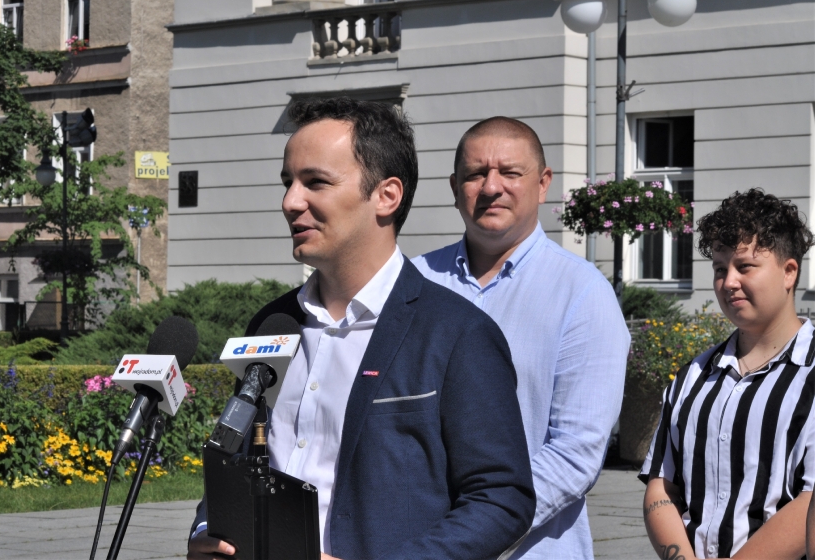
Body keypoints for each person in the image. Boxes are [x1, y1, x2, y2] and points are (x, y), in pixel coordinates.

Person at [187, 98, 535, 560]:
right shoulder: (272, 325)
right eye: (288, 182)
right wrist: (209, 528)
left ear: (386, 196)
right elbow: (233, 455)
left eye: (316, 182)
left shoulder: (457, 333)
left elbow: (501, 499)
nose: (290, 202)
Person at [412, 117, 630, 559]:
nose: (492, 187)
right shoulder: (413, 282)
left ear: (543, 183)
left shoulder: (581, 293)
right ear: (454, 186)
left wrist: (471, 531)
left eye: (510, 173)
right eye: (476, 174)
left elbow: (574, 454)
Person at [642, 189, 815, 560]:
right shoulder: (692, 377)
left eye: (745, 266)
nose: (729, 281)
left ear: (789, 272)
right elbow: (662, 487)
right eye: (720, 269)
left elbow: (811, 500)